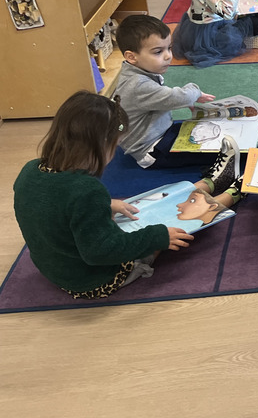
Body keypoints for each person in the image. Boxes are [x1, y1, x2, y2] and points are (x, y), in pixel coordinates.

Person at [11, 91, 213, 299]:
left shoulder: (30, 170)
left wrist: (106, 205)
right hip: (92, 281)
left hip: (54, 269)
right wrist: (158, 237)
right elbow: (100, 252)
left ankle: (209, 184)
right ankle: (216, 185)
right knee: (160, 238)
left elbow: (56, 205)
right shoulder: (87, 190)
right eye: (114, 147)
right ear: (100, 146)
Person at [113, 15, 244, 193]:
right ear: (131, 56)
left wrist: (184, 100)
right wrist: (194, 92)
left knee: (213, 130)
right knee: (219, 150)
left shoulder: (136, 72)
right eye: (158, 52)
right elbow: (178, 97)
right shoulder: (137, 84)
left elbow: (165, 99)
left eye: (169, 48)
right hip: (153, 150)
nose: (168, 56)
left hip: (161, 133)